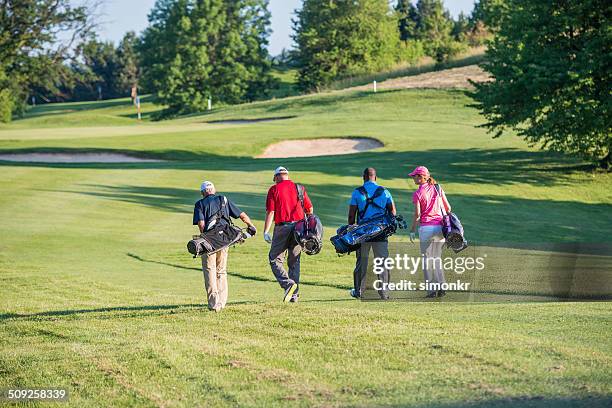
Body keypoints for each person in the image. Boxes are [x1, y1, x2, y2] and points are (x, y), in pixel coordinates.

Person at [193, 181, 256, 312]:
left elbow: (201, 224)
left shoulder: (199, 203)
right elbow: (241, 215)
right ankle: (221, 302)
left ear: (203, 193)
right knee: (221, 270)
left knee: (210, 270)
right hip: (224, 240)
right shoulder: (223, 199)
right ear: (214, 190)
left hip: (209, 242)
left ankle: (213, 303)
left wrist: (205, 238)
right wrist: (251, 225)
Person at [263, 166, 313, 302]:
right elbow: (310, 209)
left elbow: (270, 212)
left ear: (278, 177)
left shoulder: (274, 189)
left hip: (282, 228)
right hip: (299, 228)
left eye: (275, 179)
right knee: (294, 261)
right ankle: (294, 295)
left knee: (274, 259)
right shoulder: (299, 188)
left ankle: (288, 284)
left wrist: (266, 231)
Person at [348, 167, 396, 299]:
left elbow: (352, 216)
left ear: (363, 177)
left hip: (362, 233)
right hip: (380, 232)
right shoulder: (384, 192)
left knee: (361, 262)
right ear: (376, 177)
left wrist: (351, 231)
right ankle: (384, 292)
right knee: (382, 261)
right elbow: (393, 213)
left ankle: (359, 291)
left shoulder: (357, 192)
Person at [408, 166, 451, 298]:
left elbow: (417, 214)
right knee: (436, 257)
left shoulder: (417, 193)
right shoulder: (438, 188)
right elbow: (448, 207)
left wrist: (412, 230)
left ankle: (431, 291)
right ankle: (442, 287)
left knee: (427, 260)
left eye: (415, 176)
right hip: (440, 228)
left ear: (421, 177)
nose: (413, 178)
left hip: (426, 228)